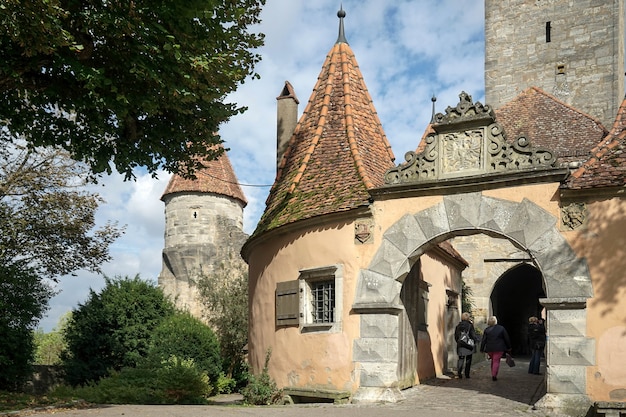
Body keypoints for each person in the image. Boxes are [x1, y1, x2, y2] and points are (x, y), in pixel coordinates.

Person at [480, 315, 511, 381]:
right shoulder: (501, 328)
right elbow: (506, 338)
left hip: (490, 348)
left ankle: (493, 372)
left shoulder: (487, 330)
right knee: (496, 361)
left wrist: (482, 349)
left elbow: (484, 340)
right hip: (499, 348)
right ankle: (494, 375)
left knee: (493, 361)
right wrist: (509, 347)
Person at [454, 312, 479, 379]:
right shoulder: (470, 325)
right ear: (468, 318)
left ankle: (459, 373)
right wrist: (476, 340)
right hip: (468, 345)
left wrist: (459, 342)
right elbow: (473, 335)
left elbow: (456, 336)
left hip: (461, 344)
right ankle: (467, 374)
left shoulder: (458, 326)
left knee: (461, 359)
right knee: (468, 359)